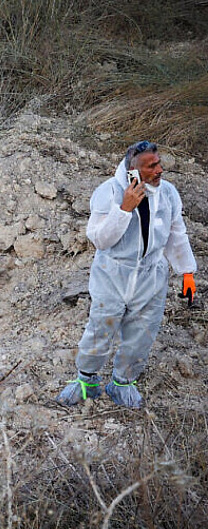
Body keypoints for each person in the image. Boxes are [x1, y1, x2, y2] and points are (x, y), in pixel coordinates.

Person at [58, 141, 197, 408]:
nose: (160, 169)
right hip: (113, 274)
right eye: (151, 166)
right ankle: (86, 381)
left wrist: (187, 273)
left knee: (142, 332)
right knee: (101, 327)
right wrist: (124, 208)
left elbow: (176, 234)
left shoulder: (167, 193)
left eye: (159, 162)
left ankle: (123, 383)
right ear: (133, 170)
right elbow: (100, 239)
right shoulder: (108, 191)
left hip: (151, 276)